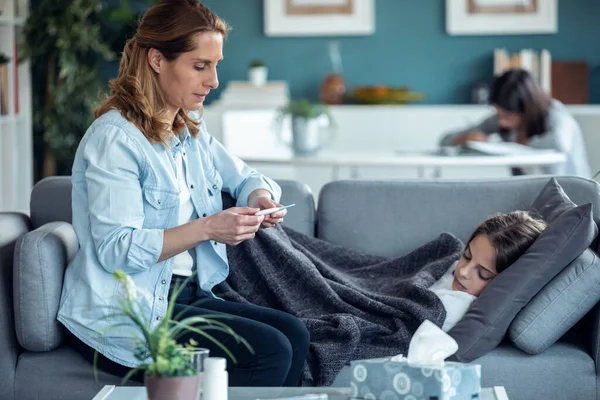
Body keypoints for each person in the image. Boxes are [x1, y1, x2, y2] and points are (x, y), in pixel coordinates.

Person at [57, 0, 310, 387]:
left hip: (182, 296)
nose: (213, 81)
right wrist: (208, 228)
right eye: (200, 66)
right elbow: (116, 250)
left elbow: (245, 177)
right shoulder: (114, 139)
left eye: (216, 65)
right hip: (125, 314)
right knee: (271, 349)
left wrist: (260, 197)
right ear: (158, 60)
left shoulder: (188, 128)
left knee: (295, 333)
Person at [440, 69, 591, 178]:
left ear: (527, 108)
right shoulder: (501, 120)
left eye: (506, 115)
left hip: (570, 199)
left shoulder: (556, 115)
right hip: (530, 201)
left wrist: (522, 143)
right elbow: (444, 139)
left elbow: (560, 143)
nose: (501, 121)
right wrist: (464, 138)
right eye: (498, 113)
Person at [429, 211, 547, 331]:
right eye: (467, 256)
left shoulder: (450, 309)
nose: (464, 271)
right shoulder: (450, 268)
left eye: (483, 274)